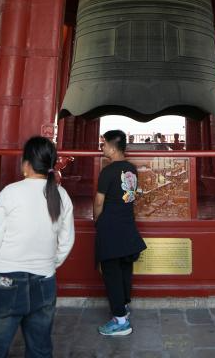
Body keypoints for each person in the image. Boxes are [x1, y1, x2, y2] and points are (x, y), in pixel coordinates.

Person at [0, 136, 75, 358]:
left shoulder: (11, 192)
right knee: (40, 350)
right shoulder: (61, 195)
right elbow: (66, 241)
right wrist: (49, 264)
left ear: (26, 163)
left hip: (5, 281)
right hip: (44, 281)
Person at [94, 129, 146, 337]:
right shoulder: (131, 169)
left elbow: (99, 202)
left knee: (111, 273)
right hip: (127, 224)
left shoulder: (107, 172)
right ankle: (123, 307)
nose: (102, 148)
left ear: (112, 147)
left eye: (104, 144)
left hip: (110, 227)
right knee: (125, 269)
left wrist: (97, 221)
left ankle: (120, 321)